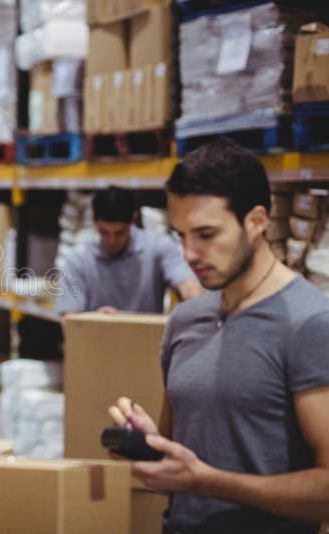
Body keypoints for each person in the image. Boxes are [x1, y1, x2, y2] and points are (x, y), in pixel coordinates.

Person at [109, 138, 329, 533]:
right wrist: (151, 446)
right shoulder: (185, 320)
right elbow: (184, 457)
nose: (189, 254)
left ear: (257, 221)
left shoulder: (309, 323)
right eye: (180, 236)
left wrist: (206, 481)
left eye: (206, 234)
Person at [57, 187, 201, 315]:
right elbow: (69, 319)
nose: (112, 241)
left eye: (119, 233)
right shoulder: (77, 259)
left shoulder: (159, 247)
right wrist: (94, 321)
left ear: (133, 219)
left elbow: (187, 284)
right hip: (95, 342)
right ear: (94, 218)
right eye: (104, 232)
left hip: (148, 342)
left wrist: (197, 303)